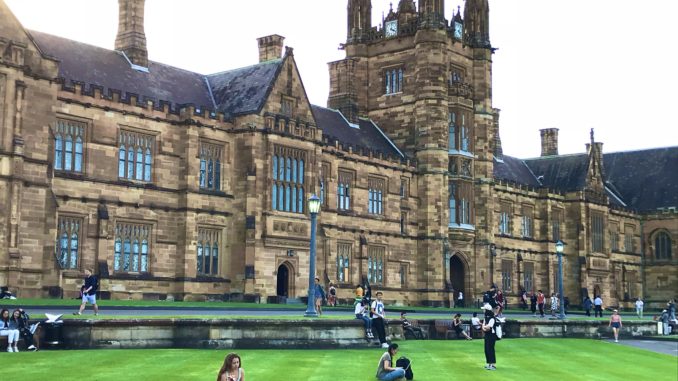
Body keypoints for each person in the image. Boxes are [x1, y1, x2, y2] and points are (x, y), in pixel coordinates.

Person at [481, 303, 498, 371]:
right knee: (486, 349)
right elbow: (484, 325)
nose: (483, 311)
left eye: (484, 309)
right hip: (487, 335)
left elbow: (489, 327)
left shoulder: (492, 318)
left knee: (491, 349)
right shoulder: (486, 317)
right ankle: (488, 363)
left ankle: (493, 364)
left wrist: (484, 327)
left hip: (491, 335)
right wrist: (484, 327)